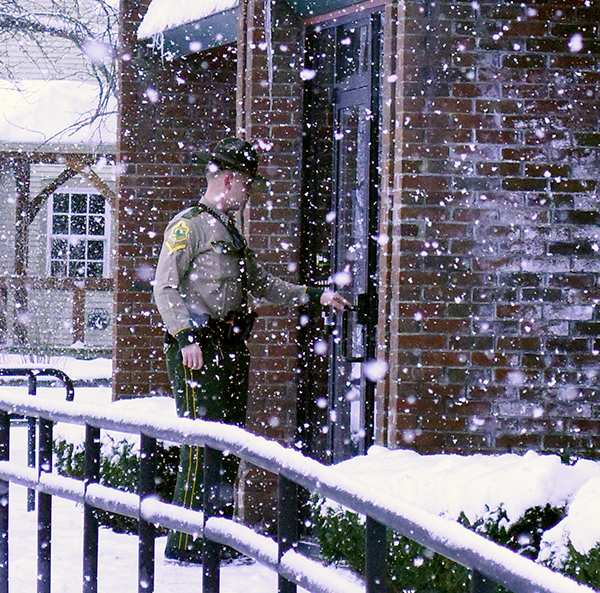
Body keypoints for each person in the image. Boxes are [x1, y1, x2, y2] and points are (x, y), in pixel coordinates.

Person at [153, 137, 348, 563]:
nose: (250, 192)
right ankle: (187, 545)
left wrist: (316, 297)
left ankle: (215, 537)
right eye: (248, 184)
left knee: (228, 442)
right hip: (198, 350)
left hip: (229, 347)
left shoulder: (228, 230)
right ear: (228, 179)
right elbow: (164, 287)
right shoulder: (190, 226)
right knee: (201, 441)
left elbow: (262, 284)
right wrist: (186, 338)